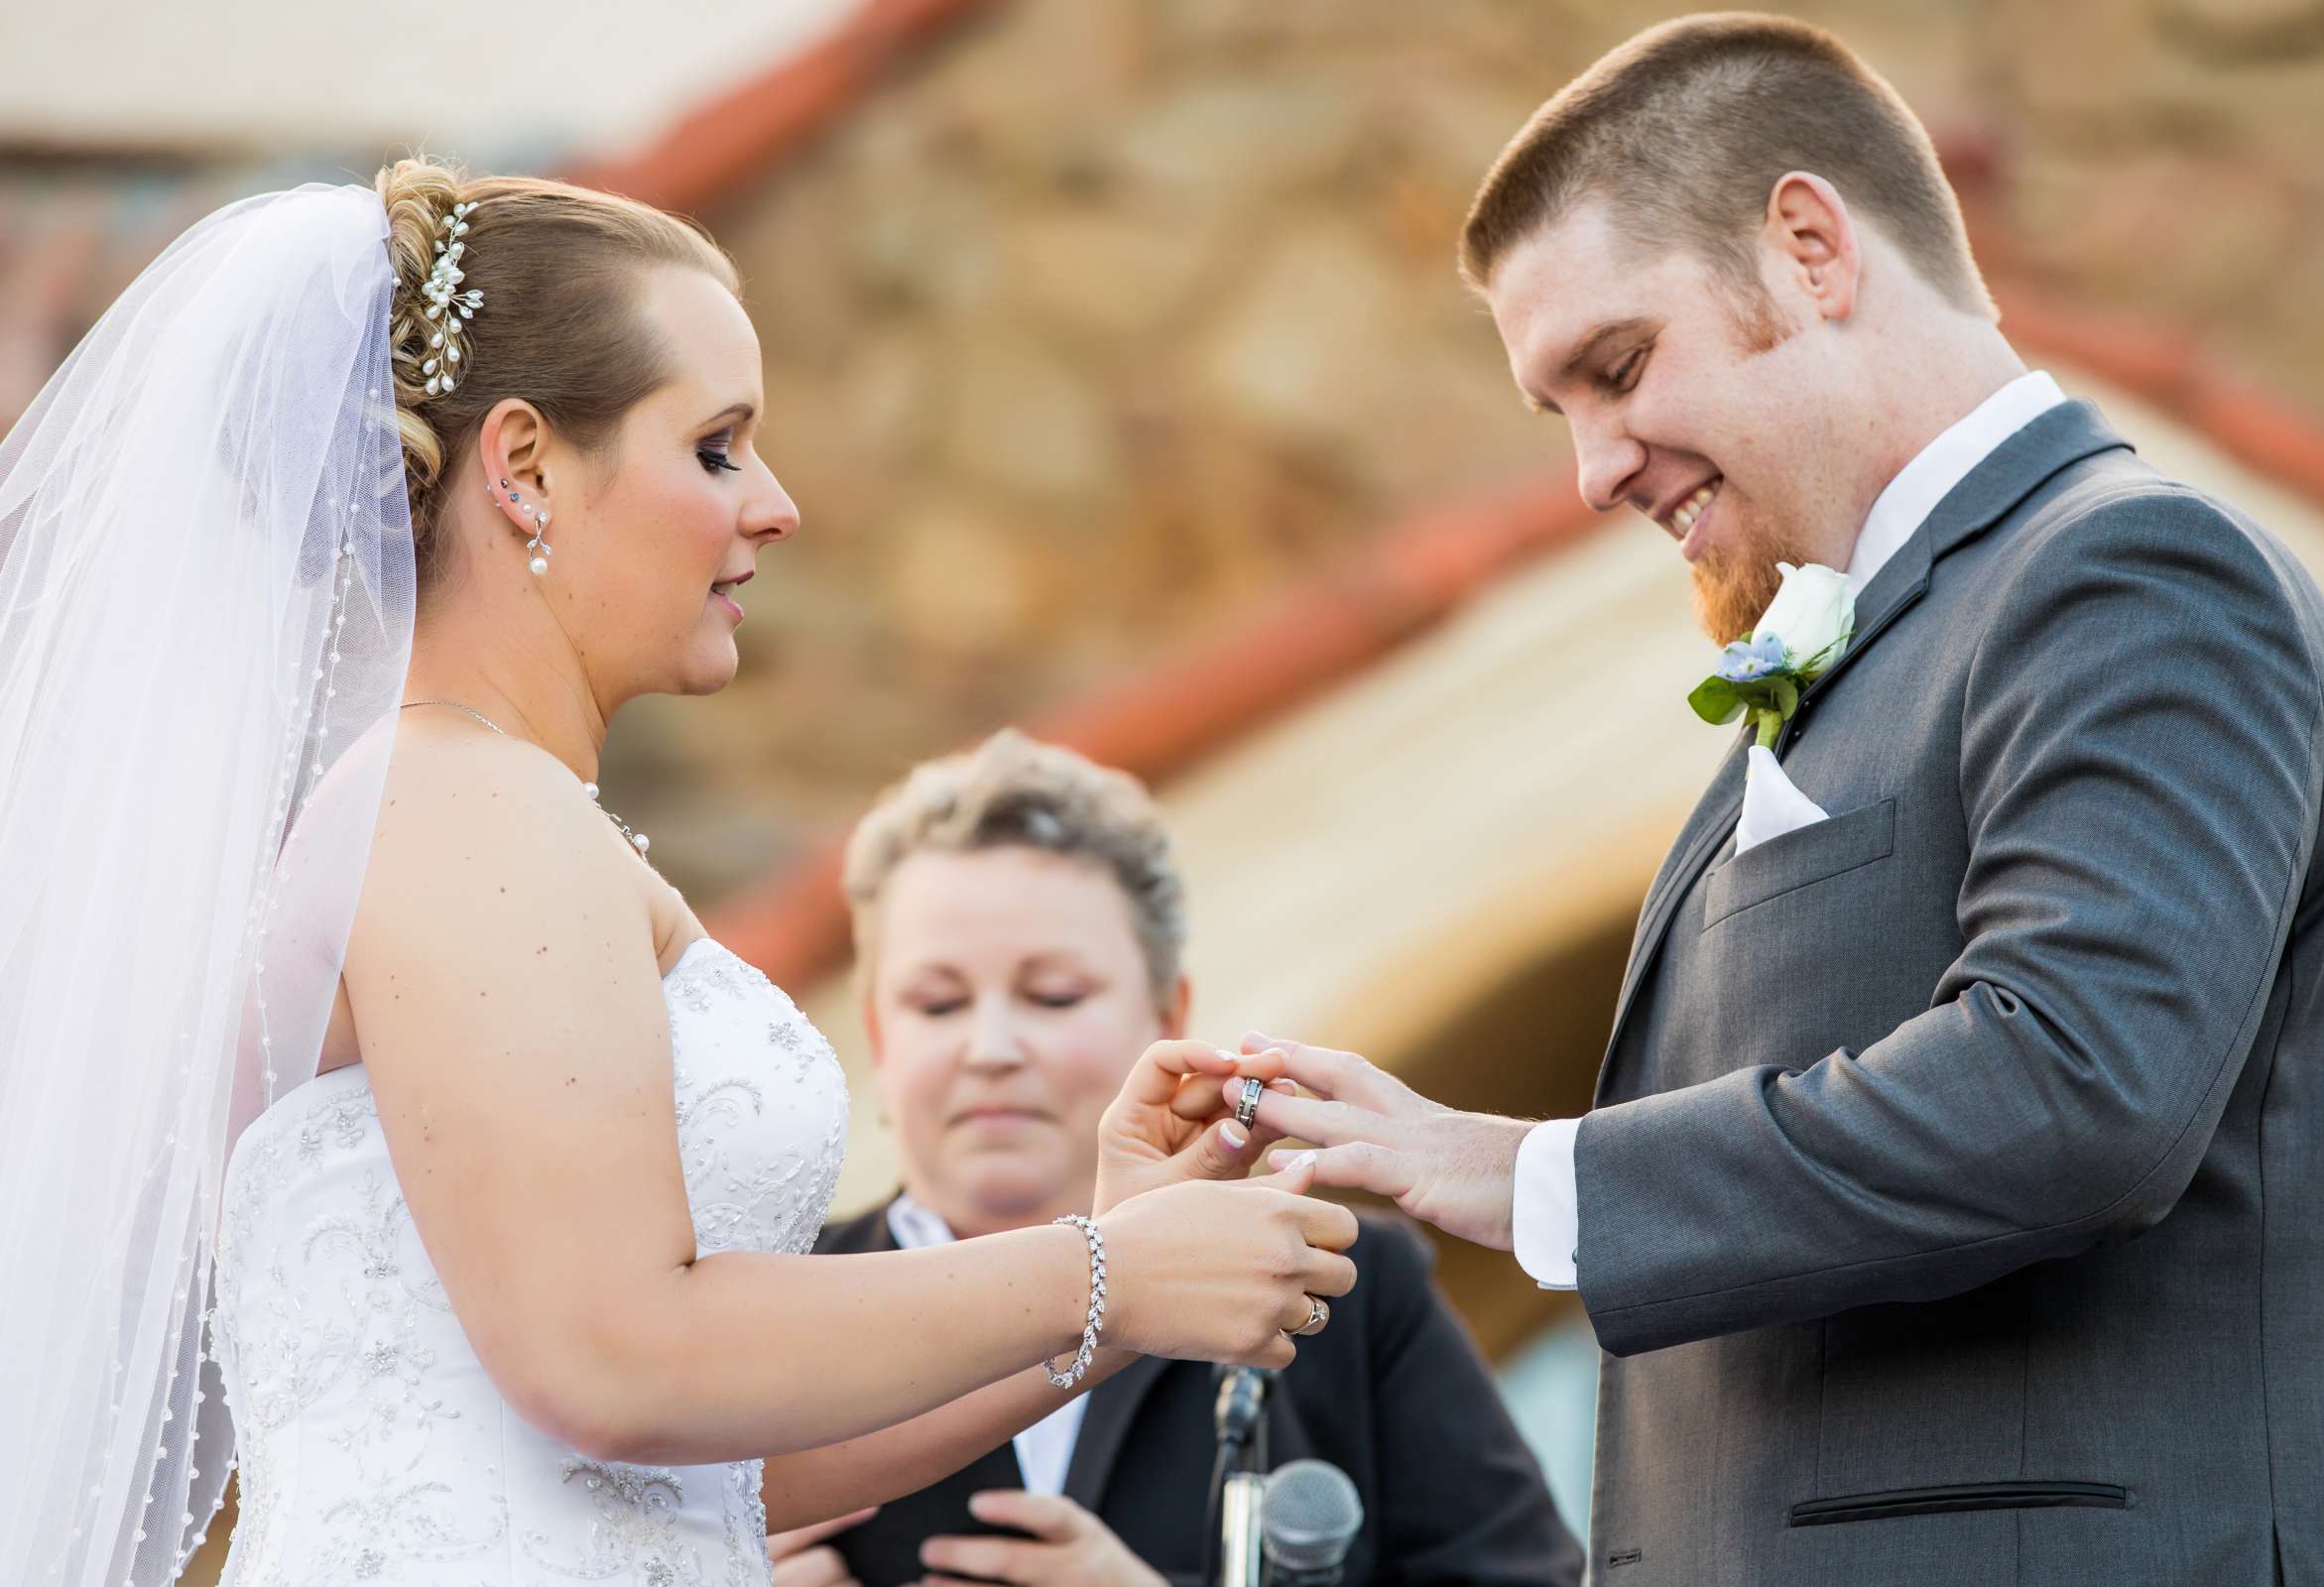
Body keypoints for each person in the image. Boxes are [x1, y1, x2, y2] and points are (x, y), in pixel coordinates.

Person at [0, 159, 1352, 1587]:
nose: (773, 507)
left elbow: (712, 1471)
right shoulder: (466, 809)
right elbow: (615, 1358)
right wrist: (1101, 1270)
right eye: (714, 448)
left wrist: (1114, 1290)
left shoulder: (480, 810)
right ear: (523, 469)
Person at [1239, 15, 2324, 1585]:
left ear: (1809, 248)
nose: (1591, 470)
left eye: (1617, 367)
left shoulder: (2130, 573)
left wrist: (1524, 1171)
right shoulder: (1893, 628)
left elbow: (2080, 1088)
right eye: (1556, 409)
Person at [763, 730, 1584, 1587]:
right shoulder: (773, 1299)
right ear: (876, 1036)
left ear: (1168, 1013)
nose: (992, 1047)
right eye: (938, 1002)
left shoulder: (1335, 1281)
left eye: (1054, 995)